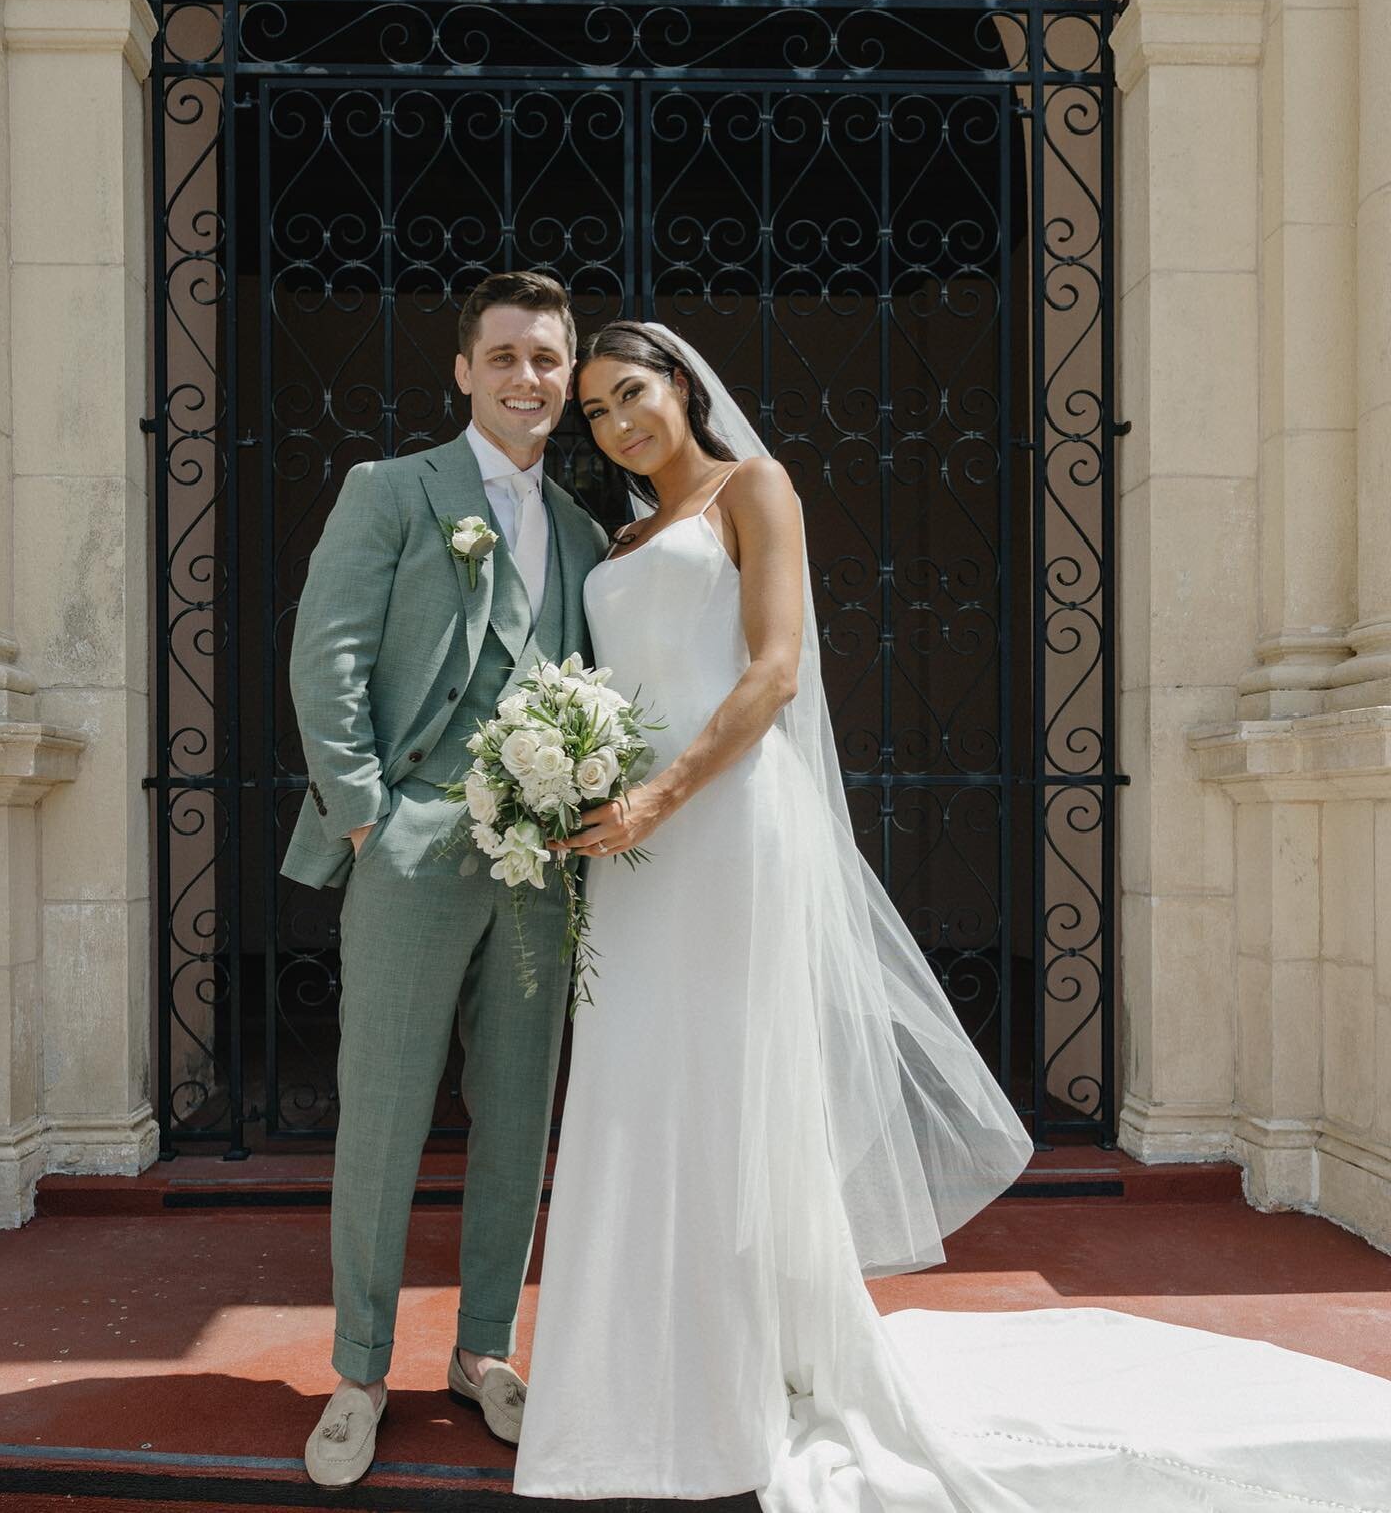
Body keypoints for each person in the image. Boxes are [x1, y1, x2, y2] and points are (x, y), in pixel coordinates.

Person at [512, 321, 1391, 1510]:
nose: (619, 424)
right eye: (598, 414)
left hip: (720, 823)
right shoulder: (618, 536)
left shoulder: (751, 487)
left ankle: (728, 1381)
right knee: (635, 1085)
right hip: (631, 846)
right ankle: (633, 1374)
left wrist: (667, 790)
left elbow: (774, 668)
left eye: (633, 394)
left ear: (682, 385)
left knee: (723, 1083)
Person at [282, 271, 607, 1488]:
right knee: (384, 1113)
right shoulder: (394, 490)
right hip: (413, 844)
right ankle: (361, 1368)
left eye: (549, 359)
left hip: (534, 864)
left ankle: (483, 1351)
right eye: (508, 355)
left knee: (519, 1115)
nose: (531, 377)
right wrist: (371, 818)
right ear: (464, 370)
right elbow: (330, 657)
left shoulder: (580, 530)